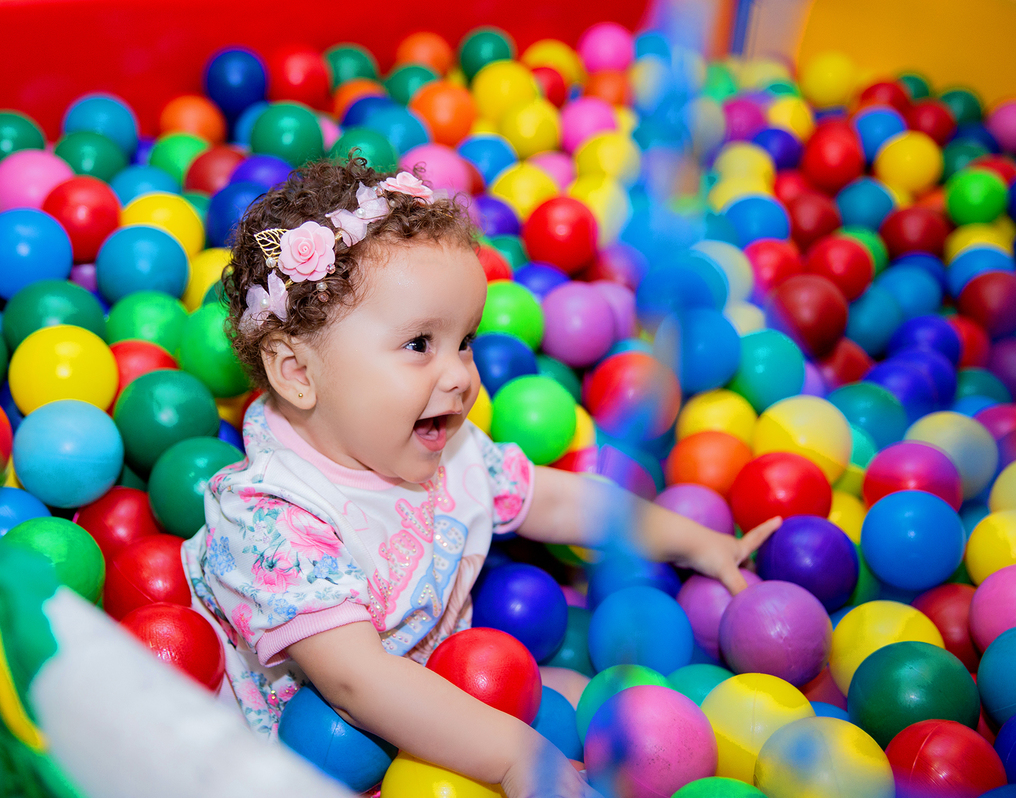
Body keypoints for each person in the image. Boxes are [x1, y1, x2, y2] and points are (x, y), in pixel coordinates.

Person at [182, 159, 778, 798]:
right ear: (299, 373)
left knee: (604, 709)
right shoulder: (271, 517)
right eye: (420, 344)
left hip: (445, 684)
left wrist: (695, 541)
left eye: (464, 340)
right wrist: (513, 755)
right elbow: (356, 682)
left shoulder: (447, 447)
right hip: (295, 753)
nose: (462, 376)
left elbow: (558, 500)